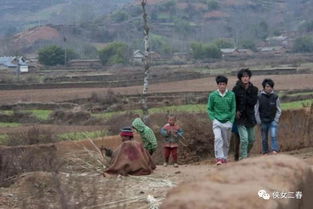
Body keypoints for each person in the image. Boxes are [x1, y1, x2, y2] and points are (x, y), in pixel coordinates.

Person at [208, 75, 236, 165]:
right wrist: (213, 119)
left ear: (226, 85)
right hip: (217, 121)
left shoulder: (231, 95)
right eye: (220, 84)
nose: (222, 86)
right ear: (218, 85)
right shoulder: (212, 95)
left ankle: (224, 157)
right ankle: (219, 158)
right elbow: (210, 108)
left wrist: (231, 121)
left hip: (228, 121)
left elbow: (233, 108)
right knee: (218, 139)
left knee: (226, 141)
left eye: (223, 84)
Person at [232, 68, 259, 160]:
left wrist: (245, 96)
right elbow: (233, 102)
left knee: (251, 140)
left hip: (250, 117)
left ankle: (245, 153)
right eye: (243, 77)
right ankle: (243, 158)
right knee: (244, 139)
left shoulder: (254, 89)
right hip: (240, 117)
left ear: (249, 77)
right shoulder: (236, 89)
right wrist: (236, 111)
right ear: (240, 78)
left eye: (247, 76)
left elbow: (253, 102)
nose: (245, 78)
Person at [255, 78, 281, 154]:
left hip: (273, 120)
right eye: (267, 86)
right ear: (264, 87)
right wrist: (258, 120)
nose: (268, 88)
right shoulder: (259, 97)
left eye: (270, 86)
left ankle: (274, 150)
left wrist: (276, 119)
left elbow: (279, 109)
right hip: (263, 121)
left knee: (273, 136)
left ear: (272, 87)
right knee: (264, 138)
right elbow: (256, 110)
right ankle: (265, 152)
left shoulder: (275, 97)